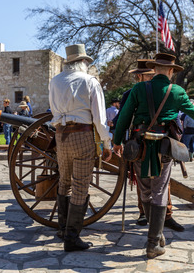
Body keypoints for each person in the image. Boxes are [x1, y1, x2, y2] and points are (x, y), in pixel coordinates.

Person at [113, 53, 194, 258]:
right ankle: (153, 241)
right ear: (171, 71)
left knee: (145, 190)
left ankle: (155, 236)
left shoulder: (139, 88)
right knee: (159, 190)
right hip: (164, 147)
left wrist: (117, 142)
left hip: (139, 147)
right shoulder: (177, 91)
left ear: (154, 69)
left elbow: (124, 117)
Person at [49, 44, 112, 252]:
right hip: (82, 135)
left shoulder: (55, 81)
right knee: (80, 186)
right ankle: (72, 237)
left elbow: (53, 111)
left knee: (64, 181)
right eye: (87, 62)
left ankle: (63, 228)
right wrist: (106, 142)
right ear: (83, 62)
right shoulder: (89, 81)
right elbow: (100, 118)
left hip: (61, 136)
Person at [112, 59, 185, 232]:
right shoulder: (131, 93)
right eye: (148, 75)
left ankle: (165, 216)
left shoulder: (166, 90)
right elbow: (121, 118)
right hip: (140, 143)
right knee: (143, 181)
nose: (151, 77)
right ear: (140, 76)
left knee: (162, 184)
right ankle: (144, 213)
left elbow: (174, 116)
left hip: (163, 141)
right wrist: (120, 140)